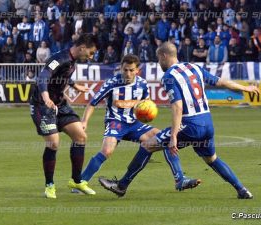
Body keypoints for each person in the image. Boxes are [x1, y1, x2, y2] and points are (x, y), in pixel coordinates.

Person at [99, 42, 260, 199]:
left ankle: (122, 186)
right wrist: (245, 88)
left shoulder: (169, 76)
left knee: (148, 145)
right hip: (207, 123)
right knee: (212, 159)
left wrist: (174, 135)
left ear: (163, 56)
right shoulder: (194, 67)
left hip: (190, 124)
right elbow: (221, 82)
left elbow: (177, 106)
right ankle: (242, 189)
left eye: (158, 59)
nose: (158, 63)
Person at [77, 54, 199, 194]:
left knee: (163, 139)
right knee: (106, 151)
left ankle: (180, 178)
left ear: (137, 70)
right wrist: (84, 121)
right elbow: (92, 103)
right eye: (125, 70)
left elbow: (146, 104)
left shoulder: (142, 84)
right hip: (115, 122)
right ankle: (80, 182)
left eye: (131, 70)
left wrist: (146, 112)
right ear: (121, 68)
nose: (127, 73)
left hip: (135, 124)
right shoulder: (111, 83)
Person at [29, 33, 98, 199]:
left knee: (80, 136)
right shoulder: (59, 58)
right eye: (90, 52)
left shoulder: (71, 60)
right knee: (53, 143)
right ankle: (50, 185)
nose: (91, 56)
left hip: (60, 104)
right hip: (42, 105)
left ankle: (76, 180)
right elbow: (43, 76)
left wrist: (74, 85)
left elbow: (62, 75)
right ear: (82, 48)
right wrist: (46, 98)